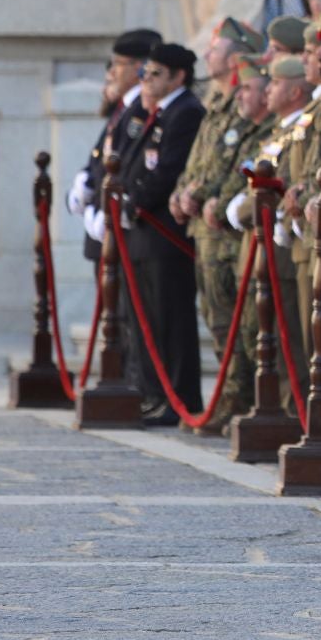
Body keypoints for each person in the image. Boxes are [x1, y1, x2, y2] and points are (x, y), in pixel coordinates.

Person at [118, 41, 207, 424]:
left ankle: (178, 397)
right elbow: (129, 158)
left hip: (163, 231)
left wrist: (133, 200)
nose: (147, 81)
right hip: (142, 230)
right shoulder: (155, 111)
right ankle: (155, 394)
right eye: (145, 73)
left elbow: (169, 169)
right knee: (147, 321)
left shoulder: (185, 112)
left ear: (178, 77)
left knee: (171, 320)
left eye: (155, 74)